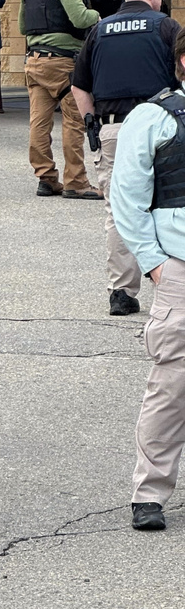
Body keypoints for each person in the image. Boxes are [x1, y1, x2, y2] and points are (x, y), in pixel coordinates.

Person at [110, 29, 185, 532]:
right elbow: (128, 198)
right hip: (179, 267)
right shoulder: (153, 117)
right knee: (172, 386)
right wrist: (154, 263)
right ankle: (150, 493)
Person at [73, 0, 178, 318]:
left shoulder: (99, 30)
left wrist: (91, 124)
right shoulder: (166, 27)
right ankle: (172, 286)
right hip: (162, 129)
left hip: (114, 129)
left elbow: (79, 85)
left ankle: (121, 292)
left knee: (119, 210)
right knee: (168, 205)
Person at [19, 0, 101, 199]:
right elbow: (80, 18)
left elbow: (22, 27)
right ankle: (75, 181)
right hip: (63, 63)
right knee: (74, 122)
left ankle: (46, 178)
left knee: (39, 123)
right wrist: (97, 16)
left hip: (34, 62)